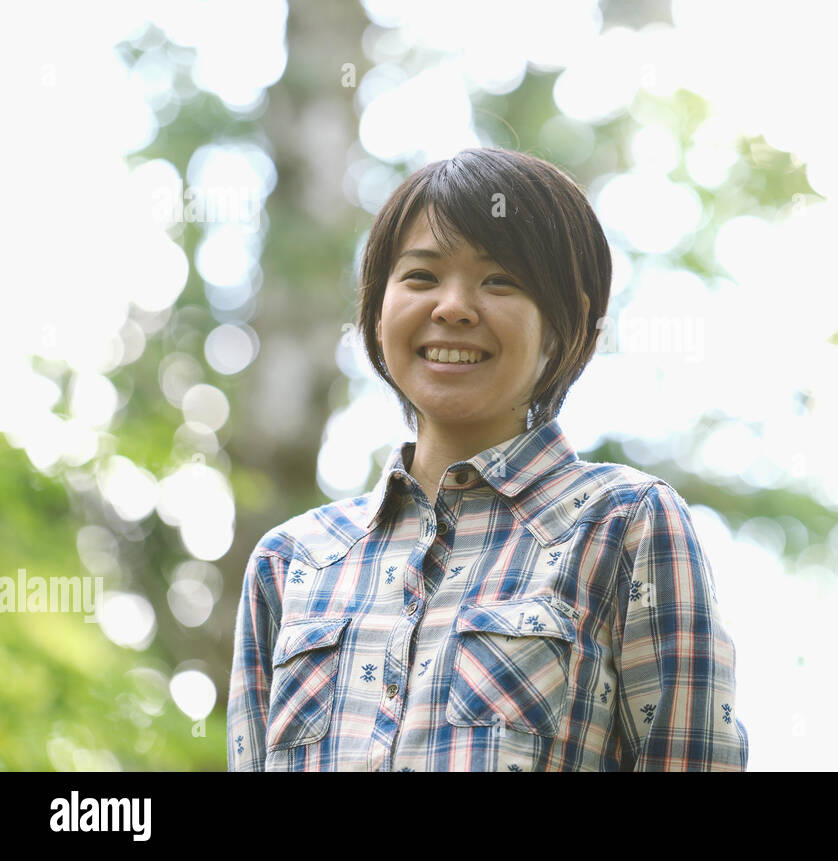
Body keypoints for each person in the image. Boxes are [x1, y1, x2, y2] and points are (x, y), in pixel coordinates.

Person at [227, 147, 748, 771]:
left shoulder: (625, 523)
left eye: (500, 281)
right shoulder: (291, 561)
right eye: (420, 277)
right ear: (376, 306)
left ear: (568, 319)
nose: (452, 307)